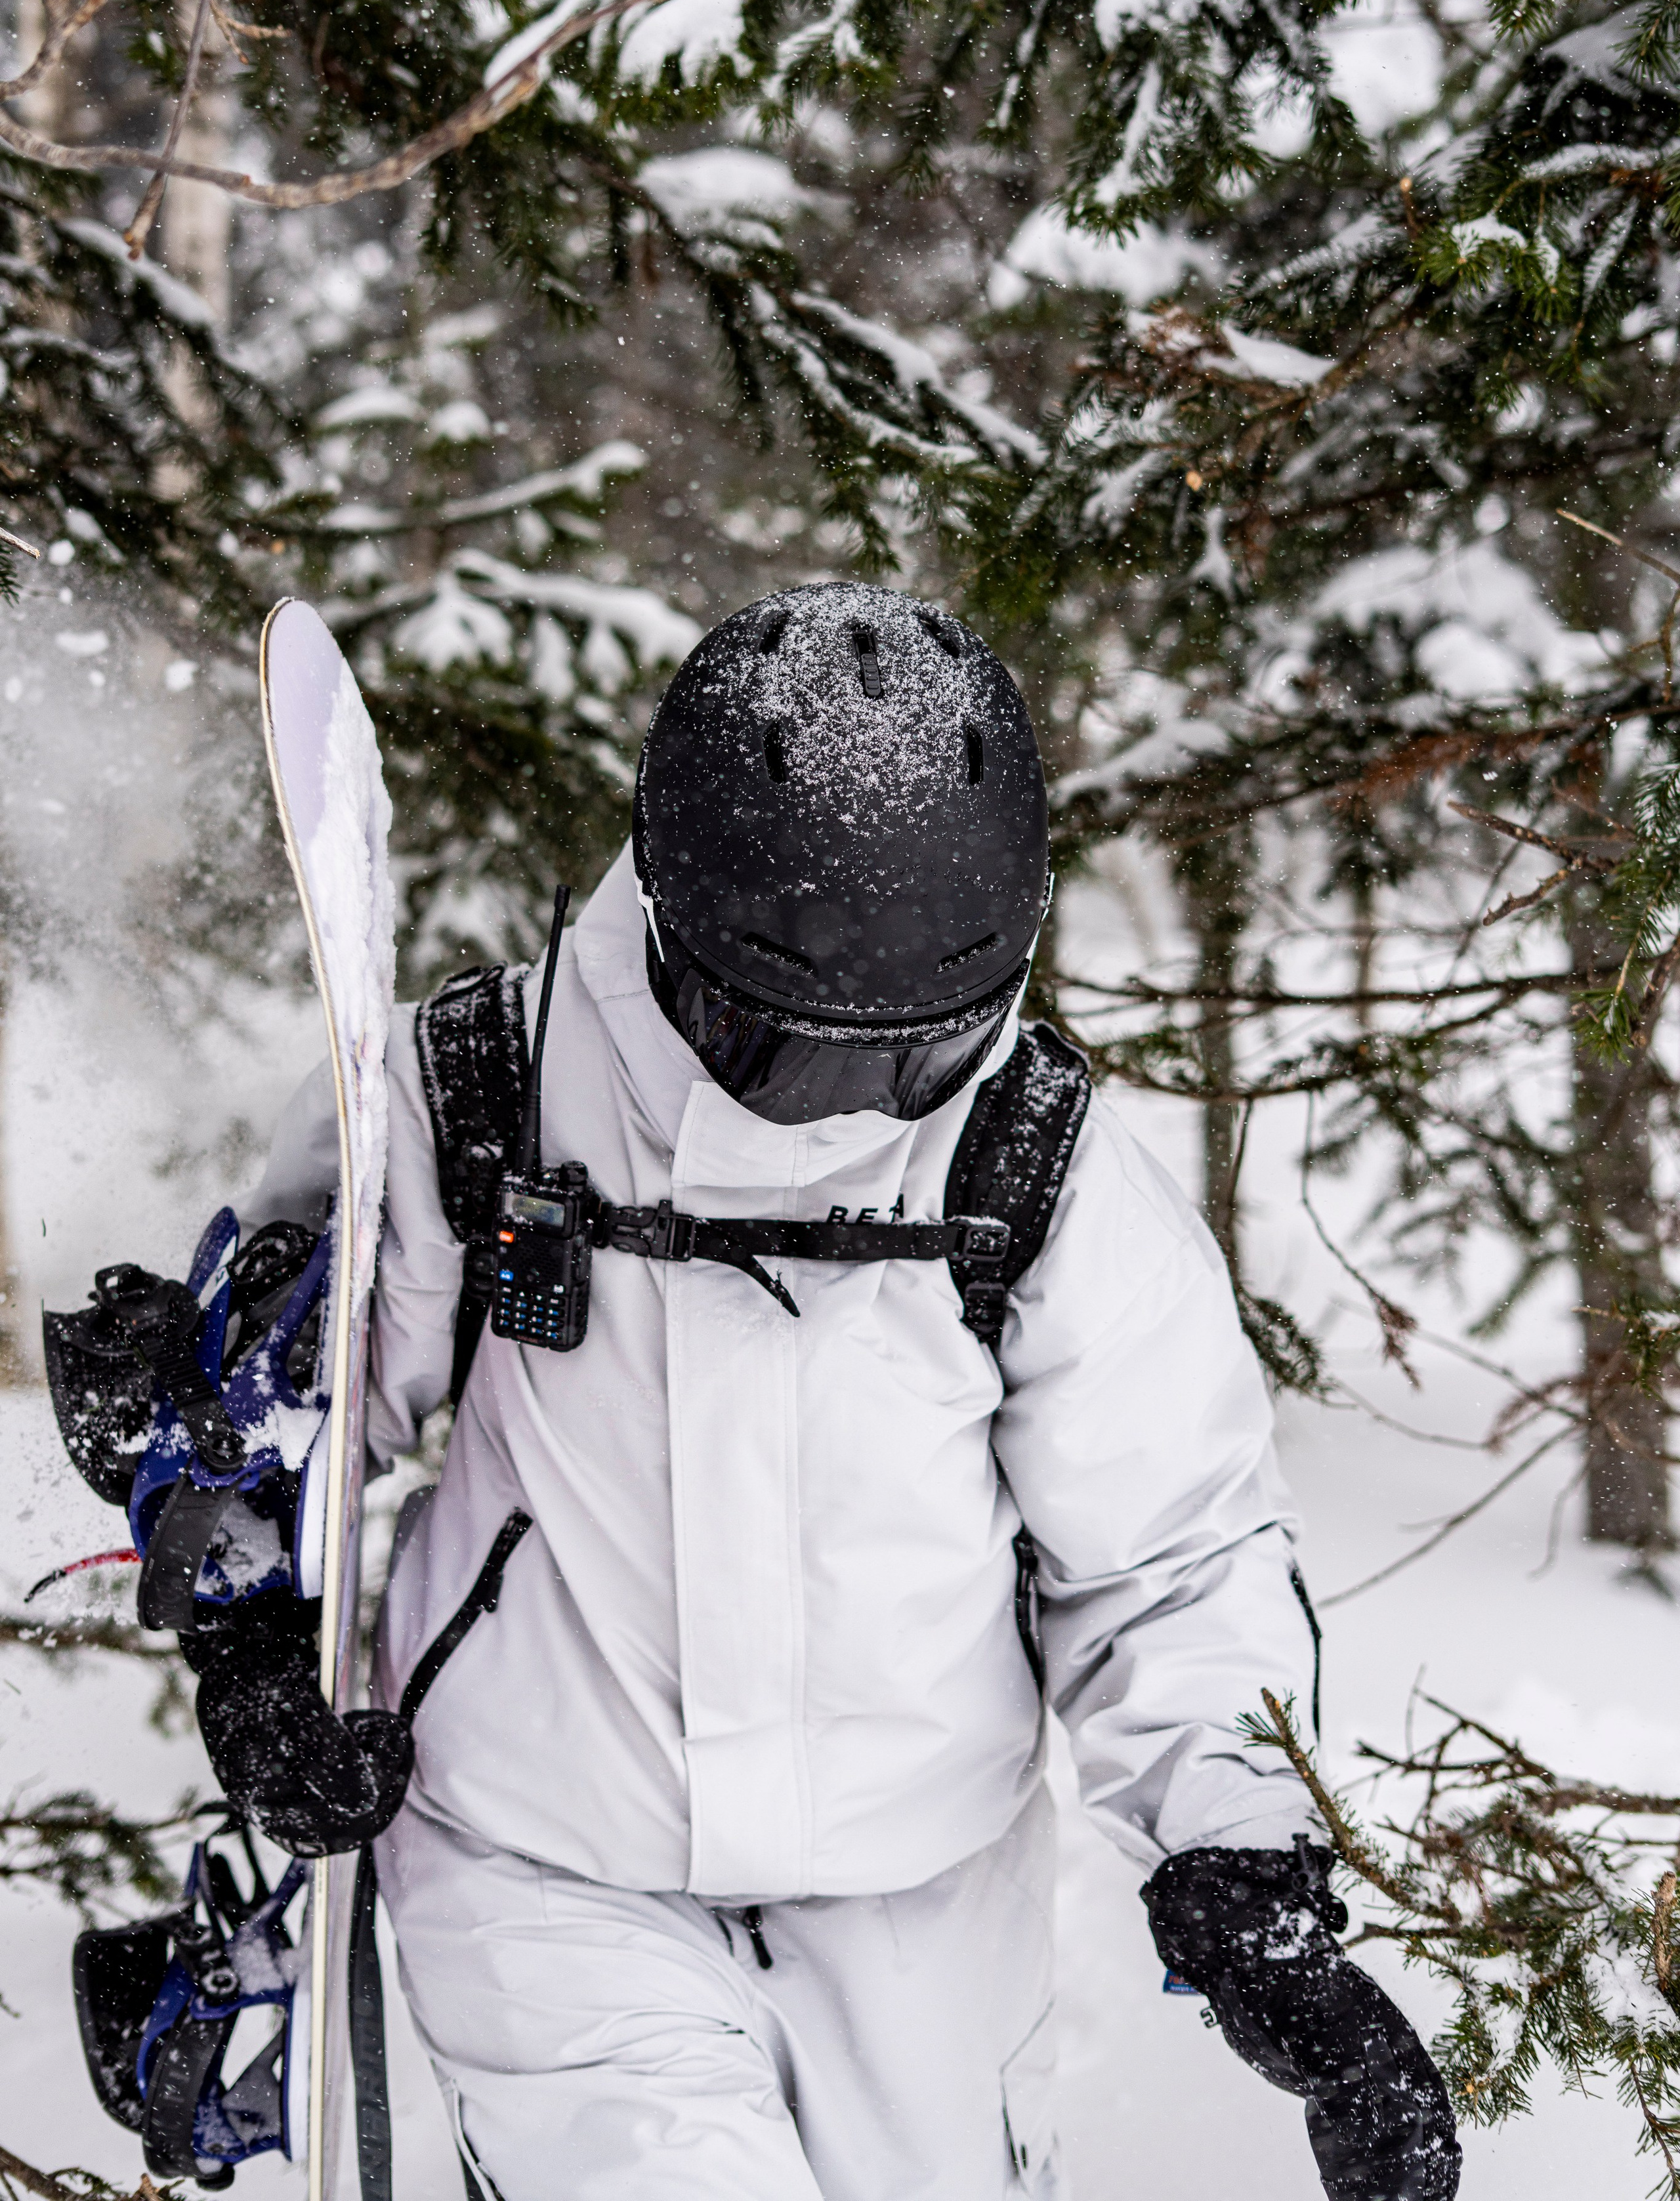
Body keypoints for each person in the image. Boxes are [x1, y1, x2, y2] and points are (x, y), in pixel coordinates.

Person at [216, 585, 1461, 2199]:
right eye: (787, 1051)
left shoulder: (1039, 1167)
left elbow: (1166, 1557)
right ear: (670, 927)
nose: (848, 1115)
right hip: (547, 1869)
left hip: (923, 1907)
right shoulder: (481, 1095)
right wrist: (247, 1637)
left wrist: (1241, 1865)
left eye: (910, 1060)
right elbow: (274, 1427)